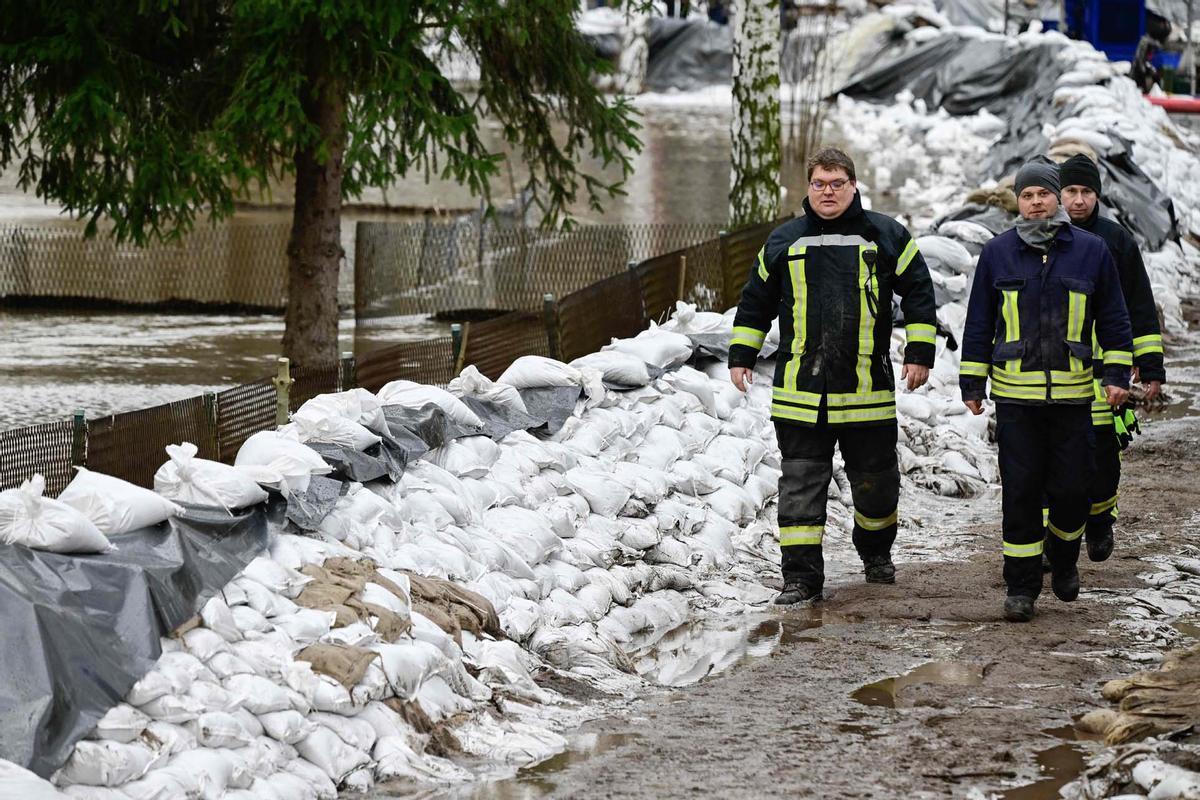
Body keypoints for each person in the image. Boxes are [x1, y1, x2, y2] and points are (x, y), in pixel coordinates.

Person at [728, 147, 938, 605]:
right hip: (800, 394)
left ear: (853, 185)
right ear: (808, 187)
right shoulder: (784, 241)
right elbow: (754, 302)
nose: (828, 192)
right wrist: (741, 354)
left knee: (876, 486)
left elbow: (920, 292)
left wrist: (920, 352)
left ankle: (876, 554)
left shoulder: (886, 235)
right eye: (820, 184)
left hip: (866, 389)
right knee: (800, 488)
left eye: (837, 183)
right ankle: (800, 580)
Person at [959, 156, 1133, 623]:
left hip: (1075, 399)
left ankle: (1064, 556)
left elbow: (1114, 318)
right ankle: (1021, 586)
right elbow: (979, 323)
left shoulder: (1092, 251)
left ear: (1058, 198)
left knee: (1074, 490)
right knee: (1020, 492)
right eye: (1027, 196)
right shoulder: (998, 252)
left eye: (1043, 194)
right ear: (1018, 203)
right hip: (1017, 401)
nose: (1036, 203)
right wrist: (972, 382)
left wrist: (1117, 375)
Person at [1059, 153, 1166, 562]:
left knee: (1102, 460)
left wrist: (1150, 366)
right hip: (1055, 372)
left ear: (1098, 195)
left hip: (1107, 371)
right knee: (1054, 461)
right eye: (1071, 191)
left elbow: (1139, 303)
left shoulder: (1115, 240)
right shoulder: (1043, 238)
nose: (1079, 200)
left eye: (1087, 191)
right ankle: (1055, 541)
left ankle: (1100, 521)